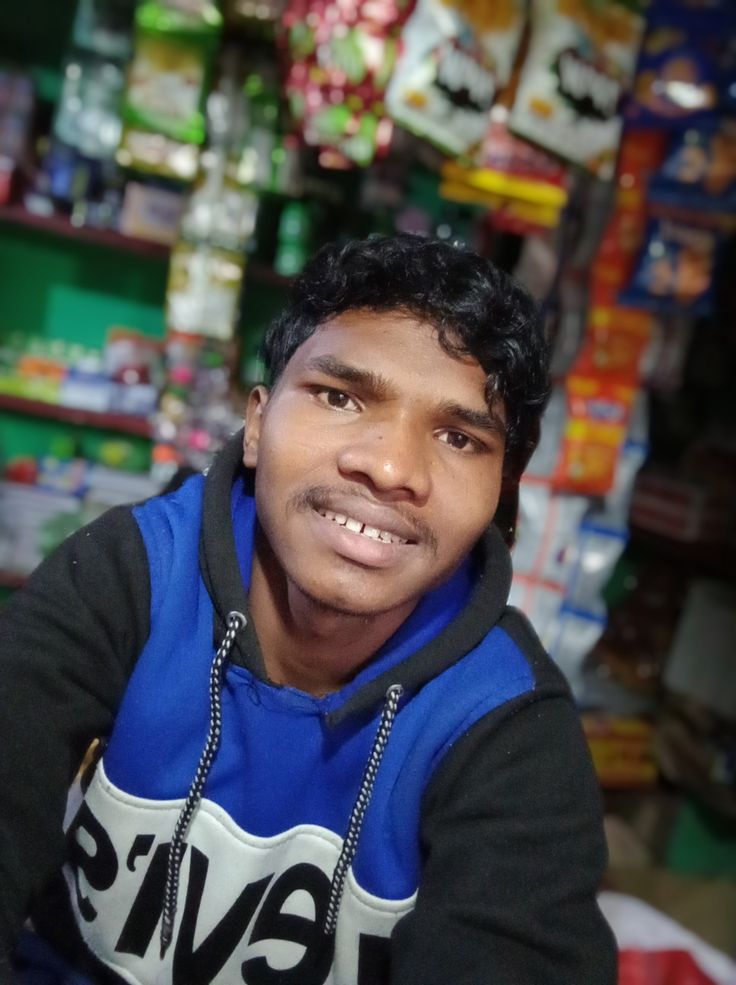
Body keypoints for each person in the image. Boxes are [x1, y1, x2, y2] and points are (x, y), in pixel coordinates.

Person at [0, 234, 616, 985]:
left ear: (501, 495)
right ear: (256, 424)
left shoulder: (506, 721)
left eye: (457, 437)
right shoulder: (133, 575)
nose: (389, 467)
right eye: (341, 396)